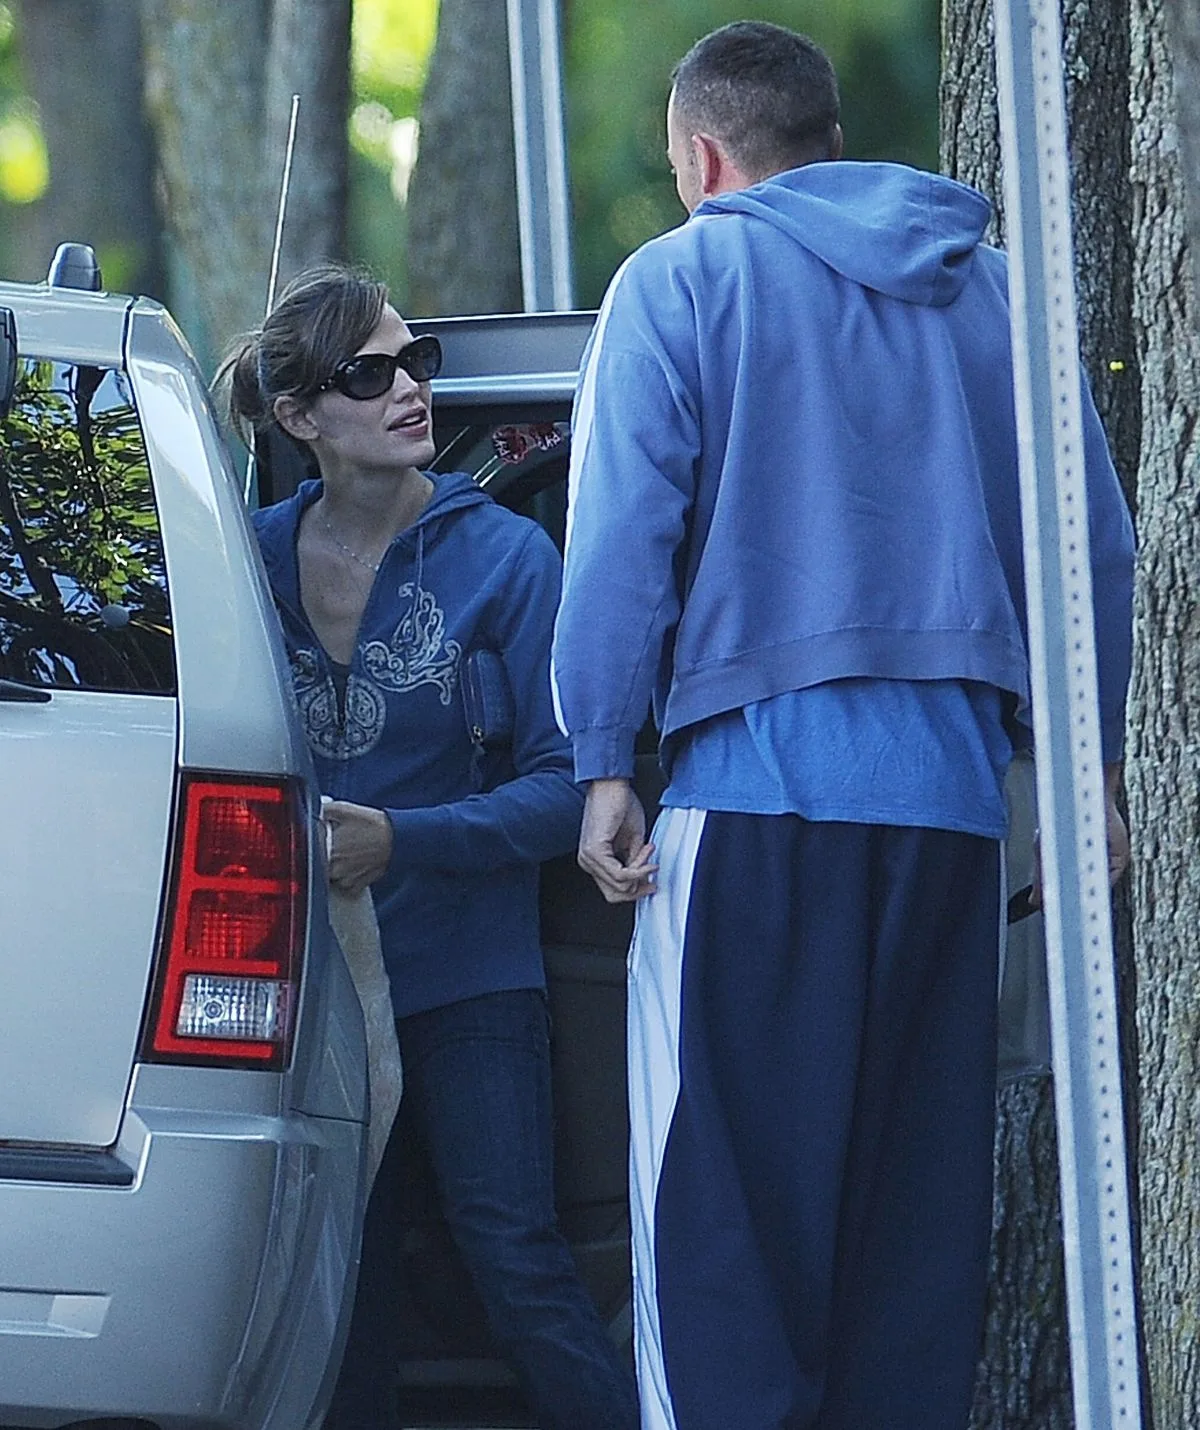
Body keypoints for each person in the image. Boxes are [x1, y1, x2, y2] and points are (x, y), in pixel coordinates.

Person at [550, 21, 1134, 1430]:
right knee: (909, 1241)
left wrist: (603, 761)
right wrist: (1086, 766)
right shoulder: (986, 285)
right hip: (948, 821)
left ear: (703, 155)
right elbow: (1092, 546)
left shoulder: (677, 279)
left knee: (725, 1235)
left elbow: (624, 539)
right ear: (823, 136)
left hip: (754, 805)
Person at [222, 264, 639, 1430]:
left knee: (520, 1263)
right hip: (307, 993)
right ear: (301, 416)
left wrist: (403, 840)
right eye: (372, 373)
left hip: (471, 978)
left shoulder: (506, 556)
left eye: (419, 361)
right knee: (332, 1287)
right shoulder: (242, 563)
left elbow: (570, 791)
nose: (411, 389)